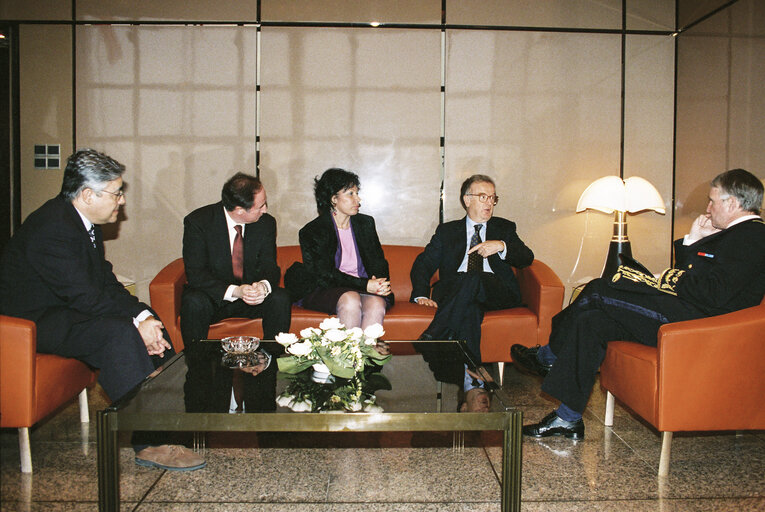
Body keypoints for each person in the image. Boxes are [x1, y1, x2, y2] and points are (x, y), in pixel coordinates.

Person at [513, 168, 765, 440]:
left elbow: (713, 294)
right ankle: (567, 418)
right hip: (687, 315)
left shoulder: (751, 237)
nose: (708, 207)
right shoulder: (734, 234)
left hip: (697, 327)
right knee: (592, 321)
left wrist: (668, 278)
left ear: (733, 203)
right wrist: (693, 241)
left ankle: (547, 355)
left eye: (713, 200)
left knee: (597, 290)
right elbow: (697, 278)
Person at [0, 148, 204, 471]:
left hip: (65, 309)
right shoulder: (52, 227)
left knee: (151, 322)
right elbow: (86, 297)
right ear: (87, 195)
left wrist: (144, 316)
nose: (121, 200)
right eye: (116, 192)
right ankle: (149, 444)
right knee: (117, 335)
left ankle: (170, 422)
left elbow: (105, 283)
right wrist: (134, 325)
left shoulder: (82, 223)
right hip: (31, 325)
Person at [410, 174, 534, 363]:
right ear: (467, 200)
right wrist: (421, 295)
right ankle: (472, 378)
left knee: (474, 277)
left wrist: (501, 246)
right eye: (483, 196)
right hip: (456, 290)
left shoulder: (504, 228)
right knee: (470, 310)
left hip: (496, 292)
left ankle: (436, 332)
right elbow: (423, 264)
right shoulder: (447, 231)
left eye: (493, 198)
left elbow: (527, 258)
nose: (489, 203)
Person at [180, 173, 292, 348]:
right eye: (260, 206)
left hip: (252, 298)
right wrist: (235, 291)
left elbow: (269, 265)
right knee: (193, 302)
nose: (265, 210)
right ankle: (197, 366)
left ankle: (273, 360)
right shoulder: (199, 222)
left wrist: (262, 286)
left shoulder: (266, 223)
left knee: (280, 298)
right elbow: (196, 273)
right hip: (214, 296)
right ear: (239, 210)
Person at [288, 168, 393, 330]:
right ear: (333, 199)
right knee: (350, 299)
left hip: (364, 287)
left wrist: (380, 283)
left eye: (357, 193)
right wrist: (365, 284)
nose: (358, 199)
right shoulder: (314, 230)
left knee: (377, 303)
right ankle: (345, 355)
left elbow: (379, 261)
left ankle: (364, 355)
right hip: (326, 288)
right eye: (350, 194)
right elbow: (324, 274)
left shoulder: (365, 224)